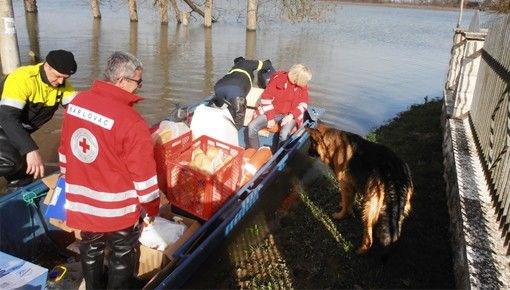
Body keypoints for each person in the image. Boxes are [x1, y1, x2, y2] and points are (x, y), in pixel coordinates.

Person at [58, 51, 160, 289]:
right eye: (138, 82)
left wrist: (66, 175)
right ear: (122, 81)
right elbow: (143, 174)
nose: (139, 87)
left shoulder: (76, 103)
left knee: (90, 245)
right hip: (117, 206)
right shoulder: (131, 121)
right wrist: (151, 206)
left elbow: (65, 149)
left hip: (82, 200)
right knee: (122, 251)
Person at [0, 50, 77, 188]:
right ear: (47, 66)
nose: (60, 82)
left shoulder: (63, 85)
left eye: (65, 78)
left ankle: (16, 199)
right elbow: (7, 117)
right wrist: (30, 149)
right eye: (58, 76)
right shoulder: (22, 78)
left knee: (28, 171)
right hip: (4, 124)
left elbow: (80, 112)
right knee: (10, 162)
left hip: (16, 131)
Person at [247, 63, 312, 150]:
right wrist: (270, 118)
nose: (305, 84)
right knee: (252, 127)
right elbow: (266, 98)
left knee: (284, 134)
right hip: (273, 112)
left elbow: (303, 104)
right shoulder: (278, 79)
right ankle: (254, 151)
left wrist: (291, 116)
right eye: (304, 81)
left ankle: (278, 157)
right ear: (297, 78)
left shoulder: (302, 85)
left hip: (290, 114)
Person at [211, 56, 272, 128]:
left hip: (219, 88)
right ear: (243, 61)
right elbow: (266, 65)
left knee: (217, 113)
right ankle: (232, 135)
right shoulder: (247, 63)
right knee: (238, 121)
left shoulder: (233, 69)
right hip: (236, 91)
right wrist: (268, 62)